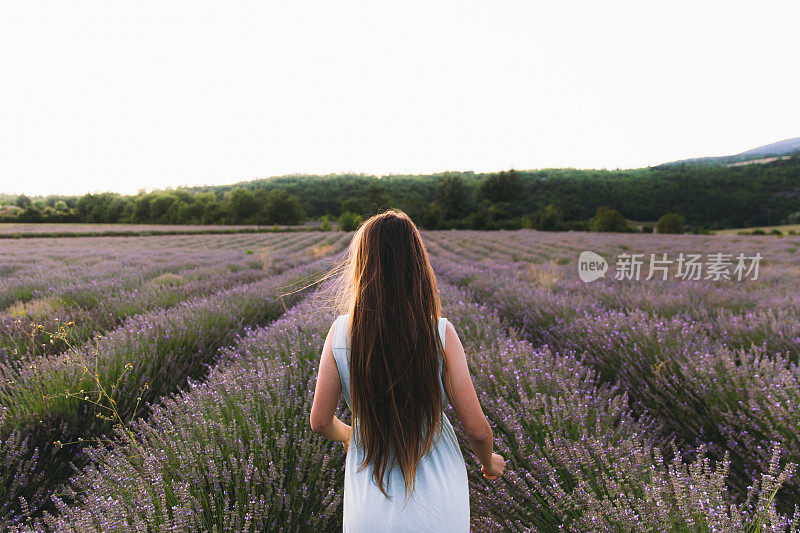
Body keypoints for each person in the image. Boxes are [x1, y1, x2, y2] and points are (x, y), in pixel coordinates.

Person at [310, 209, 505, 532]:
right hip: (438, 506)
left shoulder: (340, 333)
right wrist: (489, 462)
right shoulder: (440, 334)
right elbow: (477, 430)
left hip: (369, 508)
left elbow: (319, 421)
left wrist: (349, 433)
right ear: (417, 267)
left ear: (363, 266)